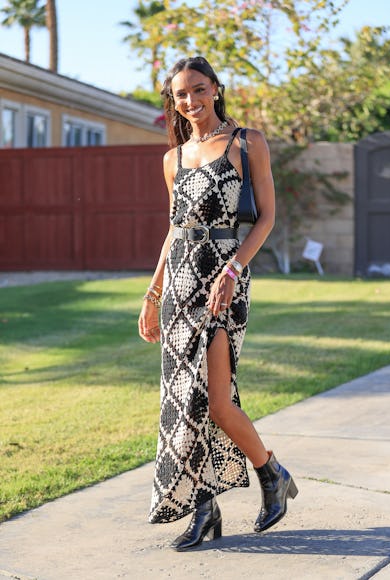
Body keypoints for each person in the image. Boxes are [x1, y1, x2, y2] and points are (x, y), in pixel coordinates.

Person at [138, 56, 297, 551]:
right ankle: (203, 509)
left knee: (219, 402)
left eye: (199, 90)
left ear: (216, 89)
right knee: (187, 404)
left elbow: (266, 218)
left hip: (224, 281)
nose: (190, 101)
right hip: (180, 286)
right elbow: (174, 230)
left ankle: (272, 474)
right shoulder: (172, 159)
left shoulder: (247, 143)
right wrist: (152, 292)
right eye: (181, 95)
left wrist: (233, 270)